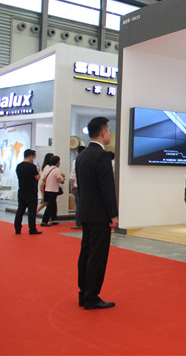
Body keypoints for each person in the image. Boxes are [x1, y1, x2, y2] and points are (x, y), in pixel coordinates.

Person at [76, 117, 118, 310]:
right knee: (97, 256)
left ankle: (83, 293)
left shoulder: (82, 155)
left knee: (86, 252)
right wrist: (113, 214)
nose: (109, 134)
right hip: (99, 214)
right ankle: (92, 297)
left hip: (85, 212)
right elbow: (107, 189)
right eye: (108, 130)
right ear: (103, 133)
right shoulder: (102, 156)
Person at [14, 149, 42, 235]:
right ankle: (32, 229)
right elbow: (37, 177)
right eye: (33, 157)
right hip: (31, 191)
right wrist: (38, 172)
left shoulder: (19, 166)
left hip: (22, 190)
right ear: (30, 156)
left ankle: (17, 228)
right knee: (31, 212)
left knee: (20, 210)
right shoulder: (32, 166)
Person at [40, 155, 65, 227]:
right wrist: (63, 180)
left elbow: (44, 179)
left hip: (47, 189)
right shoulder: (57, 170)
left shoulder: (47, 169)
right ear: (57, 163)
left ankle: (53, 219)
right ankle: (44, 221)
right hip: (53, 190)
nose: (60, 163)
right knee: (50, 206)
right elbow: (59, 180)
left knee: (53, 205)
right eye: (59, 162)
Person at [70, 146, 86, 229]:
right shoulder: (87, 161)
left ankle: (78, 223)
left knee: (78, 205)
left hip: (77, 186)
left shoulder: (75, 161)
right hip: (86, 187)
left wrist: (72, 186)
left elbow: (73, 175)